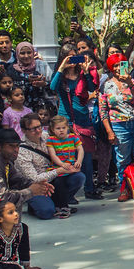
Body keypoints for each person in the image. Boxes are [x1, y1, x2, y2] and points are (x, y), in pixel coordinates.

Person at [52, 48, 104, 200]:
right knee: (65, 156)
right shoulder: (61, 77)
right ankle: (69, 193)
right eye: (69, 58)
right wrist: (62, 68)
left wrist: (86, 72)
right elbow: (52, 87)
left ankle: (89, 188)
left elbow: (93, 88)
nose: (73, 61)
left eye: (75, 58)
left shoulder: (81, 74)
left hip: (82, 119)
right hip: (64, 121)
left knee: (86, 156)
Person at [15, 113, 84, 220]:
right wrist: (59, 170)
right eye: (33, 129)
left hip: (55, 179)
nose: (38, 130)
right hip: (36, 185)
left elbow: (68, 145)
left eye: (39, 127)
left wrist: (74, 163)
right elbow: (34, 179)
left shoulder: (47, 136)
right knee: (46, 212)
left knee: (78, 177)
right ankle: (36, 205)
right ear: (24, 130)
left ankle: (61, 203)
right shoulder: (22, 151)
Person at [99, 53, 134, 201]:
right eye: (114, 65)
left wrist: (130, 83)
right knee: (122, 159)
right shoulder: (106, 85)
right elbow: (103, 110)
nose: (117, 68)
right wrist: (109, 131)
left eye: (121, 64)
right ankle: (124, 188)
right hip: (118, 125)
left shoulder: (132, 81)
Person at [6, 41, 51, 106]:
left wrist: (44, 84)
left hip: (41, 108)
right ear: (17, 54)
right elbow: (9, 89)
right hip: (20, 108)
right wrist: (27, 81)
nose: (26, 56)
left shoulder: (42, 65)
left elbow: (53, 85)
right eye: (22, 53)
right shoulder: (12, 69)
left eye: (29, 52)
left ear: (33, 53)